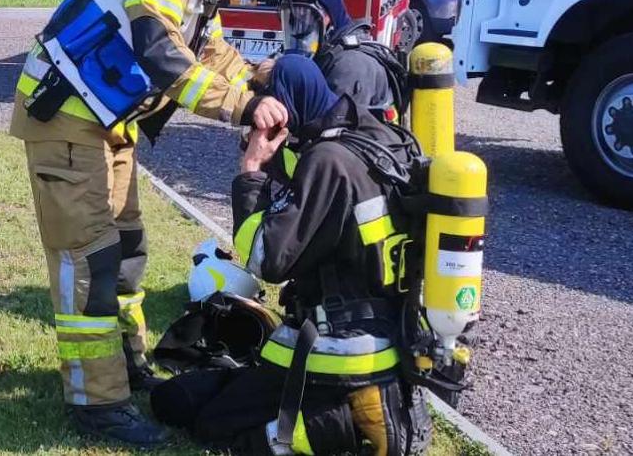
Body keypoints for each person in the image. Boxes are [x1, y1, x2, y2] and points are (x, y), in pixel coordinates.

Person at [10, 0, 309, 448]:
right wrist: (241, 109)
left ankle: (126, 367)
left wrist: (261, 80)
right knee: (90, 263)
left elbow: (207, 46)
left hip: (107, 124)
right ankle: (95, 402)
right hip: (67, 119)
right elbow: (160, 53)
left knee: (126, 254)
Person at [150, 55, 433, 455]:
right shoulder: (372, 136)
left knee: (200, 417)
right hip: (391, 337)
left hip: (336, 353)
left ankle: (337, 428)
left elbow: (267, 260)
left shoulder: (326, 162)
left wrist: (251, 170)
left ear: (281, 111)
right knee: (197, 393)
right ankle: (349, 411)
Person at [276, 0, 407, 120]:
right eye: (293, 17)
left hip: (362, 142)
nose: (299, 24)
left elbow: (329, 127)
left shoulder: (350, 66)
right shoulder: (328, 51)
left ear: (328, 15)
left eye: (305, 14)